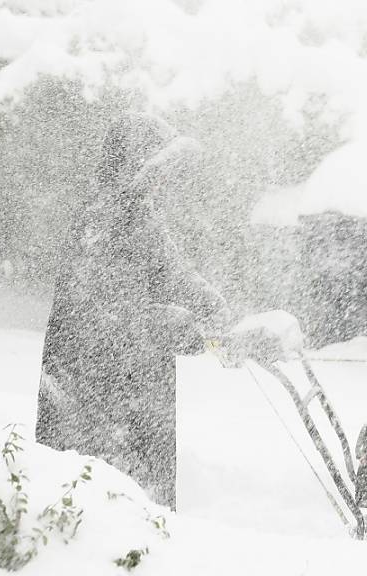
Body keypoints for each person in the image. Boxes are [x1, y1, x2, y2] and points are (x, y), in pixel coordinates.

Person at [36, 112, 228, 509]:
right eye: (158, 169)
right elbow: (94, 307)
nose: (165, 181)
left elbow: (172, 273)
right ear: (133, 163)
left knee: (141, 490)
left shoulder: (141, 213)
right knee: (99, 492)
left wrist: (217, 307)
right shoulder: (102, 215)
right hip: (94, 382)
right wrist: (164, 322)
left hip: (135, 375)